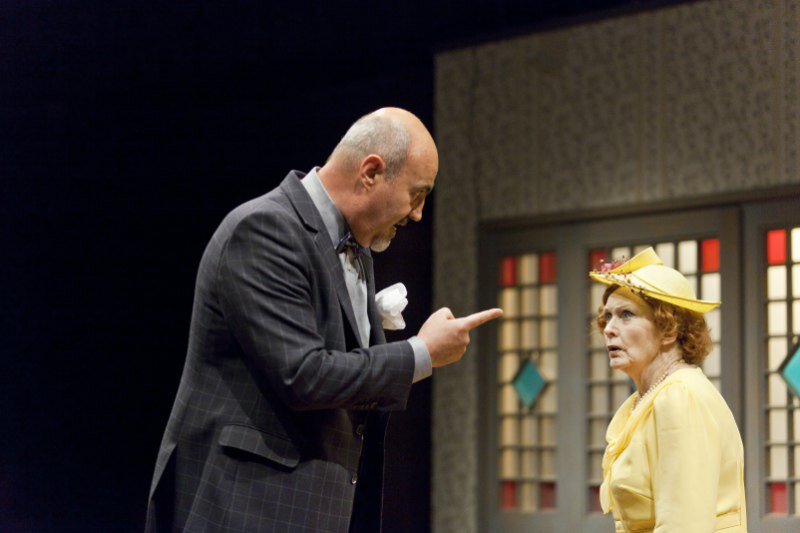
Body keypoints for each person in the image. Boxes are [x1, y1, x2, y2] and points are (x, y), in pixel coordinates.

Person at [144, 107, 502, 532]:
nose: (418, 213)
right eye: (417, 194)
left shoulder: (358, 246)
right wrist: (420, 354)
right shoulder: (264, 229)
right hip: (247, 507)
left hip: (314, 507)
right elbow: (303, 375)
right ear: (371, 173)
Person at [591, 247, 746, 532]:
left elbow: (684, 524)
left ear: (669, 329)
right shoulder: (646, 399)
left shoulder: (681, 397)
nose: (609, 329)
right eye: (608, 316)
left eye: (626, 315)